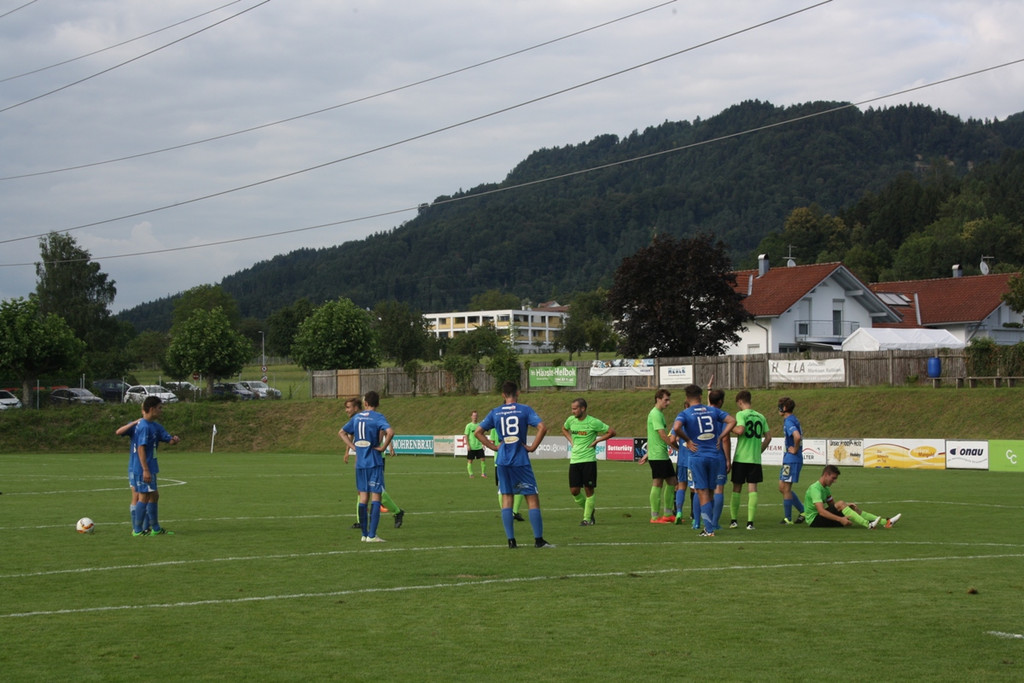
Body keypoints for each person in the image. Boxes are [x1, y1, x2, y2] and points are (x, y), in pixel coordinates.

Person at [475, 381, 553, 549]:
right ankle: (538, 540)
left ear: (503, 395)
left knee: (507, 498)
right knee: (531, 498)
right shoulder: (524, 410)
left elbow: (478, 432)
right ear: (518, 393)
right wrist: (532, 448)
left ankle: (511, 541)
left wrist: (494, 447)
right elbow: (542, 427)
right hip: (520, 460)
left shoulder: (495, 412)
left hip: (502, 460)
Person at [675, 384, 735, 537]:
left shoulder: (685, 413)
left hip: (698, 457)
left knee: (700, 491)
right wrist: (720, 437)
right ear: (701, 396)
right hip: (714, 456)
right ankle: (711, 525)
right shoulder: (713, 410)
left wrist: (687, 440)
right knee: (710, 492)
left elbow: (676, 428)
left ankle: (708, 529)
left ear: (687, 398)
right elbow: (732, 421)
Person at [339, 391, 395, 543]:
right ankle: (372, 535)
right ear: (377, 403)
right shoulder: (378, 417)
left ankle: (364, 534)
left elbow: (342, 432)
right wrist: (383, 448)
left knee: (363, 498)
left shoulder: (357, 417)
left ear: (365, 403)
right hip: (374, 462)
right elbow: (390, 432)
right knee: (376, 497)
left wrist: (352, 447)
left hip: (360, 464)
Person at [343, 397, 404, 530]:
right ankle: (361, 521)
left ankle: (397, 511)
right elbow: (351, 436)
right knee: (362, 491)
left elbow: (384, 432)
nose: (346, 410)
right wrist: (349, 451)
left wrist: (388, 447)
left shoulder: (371, 418)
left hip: (375, 458)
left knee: (377, 491)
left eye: (348, 407)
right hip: (363, 458)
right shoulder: (357, 420)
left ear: (358, 407)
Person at [129, 396, 180, 536]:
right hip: (144, 468)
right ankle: (138, 530)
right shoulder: (144, 426)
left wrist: (174, 440)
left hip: (151, 467)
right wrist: (145, 469)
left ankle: (155, 529)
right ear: (152, 409)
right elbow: (141, 448)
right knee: (144, 496)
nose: (161, 410)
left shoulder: (155, 426)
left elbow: (168, 439)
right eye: (159, 408)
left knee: (154, 495)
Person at [561, 398, 616, 526]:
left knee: (588, 489)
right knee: (574, 491)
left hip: (588, 460)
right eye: (572, 409)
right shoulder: (571, 420)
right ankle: (589, 509)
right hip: (575, 460)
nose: (572, 411)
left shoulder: (593, 422)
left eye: (575, 409)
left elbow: (612, 432)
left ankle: (587, 518)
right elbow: (564, 429)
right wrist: (570, 439)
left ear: (583, 409)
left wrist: (597, 441)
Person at [804, 465, 901, 528]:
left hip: (821, 519)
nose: (834, 481)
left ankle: (886, 523)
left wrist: (846, 507)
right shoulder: (815, 489)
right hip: (814, 521)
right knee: (842, 504)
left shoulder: (826, 488)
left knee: (850, 507)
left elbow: (832, 506)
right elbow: (821, 512)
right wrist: (840, 519)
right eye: (833, 478)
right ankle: (868, 525)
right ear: (825, 475)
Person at [729, 390, 772, 530]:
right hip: (754, 458)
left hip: (741, 457)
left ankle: (734, 521)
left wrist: (729, 428)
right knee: (752, 489)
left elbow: (740, 430)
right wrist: (760, 449)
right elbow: (768, 437)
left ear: (740, 402)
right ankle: (750, 523)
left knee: (737, 488)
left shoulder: (741, 414)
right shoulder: (760, 416)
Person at [639, 388, 676, 524]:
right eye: (666, 400)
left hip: (659, 454)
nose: (668, 402)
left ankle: (667, 514)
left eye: (668, 400)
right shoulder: (655, 414)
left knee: (672, 481)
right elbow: (661, 434)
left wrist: (648, 453)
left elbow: (653, 436)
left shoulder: (658, 414)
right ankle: (655, 517)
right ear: (658, 399)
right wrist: (675, 447)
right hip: (659, 455)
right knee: (659, 483)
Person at [778, 396, 806, 525]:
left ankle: (788, 518)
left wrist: (794, 449)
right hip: (789, 458)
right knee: (782, 487)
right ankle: (803, 511)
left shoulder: (789, 421)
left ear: (784, 408)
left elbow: (797, 436)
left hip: (792, 458)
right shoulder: (792, 419)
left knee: (786, 487)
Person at [116, 416, 146, 535]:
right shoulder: (136, 426)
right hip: (134, 467)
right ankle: (136, 528)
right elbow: (119, 432)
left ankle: (145, 527)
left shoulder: (152, 426)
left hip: (148, 466)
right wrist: (134, 422)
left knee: (148, 496)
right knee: (137, 495)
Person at [492, 425, 526, 521]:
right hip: (508, 461)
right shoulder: (499, 426)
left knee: (517, 486)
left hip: (508, 461)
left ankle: (511, 513)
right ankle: (510, 512)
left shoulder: (498, 422)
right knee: (514, 487)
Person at [464, 410, 487, 478]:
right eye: (474, 415)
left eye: (476, 416)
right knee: (470, 460)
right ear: (471, 417)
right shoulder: (468, 426)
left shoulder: (480, 425)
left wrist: (483, 443)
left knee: (483, 459)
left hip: (479, 446)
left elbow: (482, 434)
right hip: (472, 446)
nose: (475, 417)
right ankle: (471, 474)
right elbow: (466, 436)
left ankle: (483, 473)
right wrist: (468, 445)